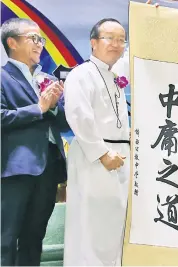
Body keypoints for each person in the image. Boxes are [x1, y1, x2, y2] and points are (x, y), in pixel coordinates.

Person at [63, 18, 130, 266]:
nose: (116, 44)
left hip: (121, 155)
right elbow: (79, 116)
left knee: (117, 225)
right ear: (93, 43)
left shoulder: (116, 74)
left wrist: (152, 21)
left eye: (121, 39)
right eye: (109, 38)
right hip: (96, 158)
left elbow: (139, 56)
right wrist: (102, 153)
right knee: (93, 226)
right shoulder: (81, 74)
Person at [1, 18, 68, 266]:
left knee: (35, 236)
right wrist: (39, 108)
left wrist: (52, 109)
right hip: (14, 169)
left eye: (42, 40)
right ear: (12, 42)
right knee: (6, 238)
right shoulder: (3, 77)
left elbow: (64, 123)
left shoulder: (46, 79)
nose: (40, 45)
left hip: (48, 168)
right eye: (34, 38)